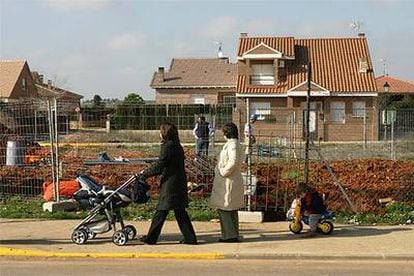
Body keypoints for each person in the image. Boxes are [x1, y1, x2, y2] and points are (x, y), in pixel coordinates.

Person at [139, 122, 197, 245]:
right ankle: (190, 238)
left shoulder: (168, 146)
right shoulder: (176, 145)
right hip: (178, 181)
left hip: (171, 184)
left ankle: (151, 238)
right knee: (180, 211)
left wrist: (145, 174)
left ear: (164, 133)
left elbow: (161, 165)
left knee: (162, 210)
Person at [209, 122, 245, 243]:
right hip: (231, 180)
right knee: (231, 210)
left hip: (227, 181)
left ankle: (229, 235)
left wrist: (223, 172)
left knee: (224, 208)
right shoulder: (235, 144)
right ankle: (233, 233)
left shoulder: (232, 145)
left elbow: (233, 161)